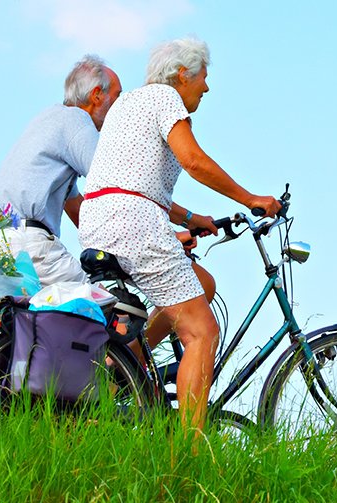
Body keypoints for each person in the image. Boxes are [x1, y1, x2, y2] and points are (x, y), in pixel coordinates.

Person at [79, 37, 281, 431]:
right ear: (183, 74)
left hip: (102, 219)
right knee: (202, 331)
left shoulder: (129, 104)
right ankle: (188, 454)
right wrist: (250, 198)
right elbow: (193, 160)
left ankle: (127, 365)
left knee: (201, 283)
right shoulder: (165, 98)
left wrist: (190, 218)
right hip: (133, 222)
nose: (206, 87)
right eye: (204, 77)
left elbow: (130, 179)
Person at [0, 55, 121, 287]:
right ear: (97, 94)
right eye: (118, 97)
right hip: (29, 244)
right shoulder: (76, 120)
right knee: (102, 308)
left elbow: (77, 208)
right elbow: (114, 182)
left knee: (34, 320)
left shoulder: (49, 119)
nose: (120, 107)